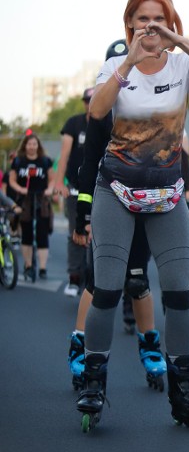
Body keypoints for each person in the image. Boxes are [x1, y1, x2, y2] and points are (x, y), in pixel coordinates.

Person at [78, 0, 189, 432]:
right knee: (107, 290)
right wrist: (128, 60)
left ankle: (182, 387)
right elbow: (97, 111)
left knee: (179, 294)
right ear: (129, 24)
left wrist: (178, 40)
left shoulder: (183, 65)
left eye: (158, 19)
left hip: (167, 196)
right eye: (142, 19)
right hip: (117, 191)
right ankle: (94, 379)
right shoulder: (115, 64)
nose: (150, 26)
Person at [66, 38, 167, 394]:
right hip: (110, 200)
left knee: (138, 279)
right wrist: (82, 213)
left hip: (145, 202)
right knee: (99, 281)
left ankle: (150, 349)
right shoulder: (102, 109)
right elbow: (87, 162)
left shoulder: (151, 108)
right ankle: (81, 347)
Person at [53, 88, 94, 297]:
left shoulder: (106, 122)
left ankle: (92, 278)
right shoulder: (74, 123)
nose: (90, 104)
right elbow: (64, 153)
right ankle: (74, 277)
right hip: (76, 188)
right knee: (75, 232)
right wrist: (59, 182)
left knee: (95, 234)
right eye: (87, 101)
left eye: (93, 100)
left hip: (99, 189)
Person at [8, 132, 54, 282]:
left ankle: (42, 267)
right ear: (25, 146)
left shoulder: (45, 161)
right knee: (26, 233)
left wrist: (49, 189)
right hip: (25, 199)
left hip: (41, 199)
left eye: (34, 144)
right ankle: (28, 265)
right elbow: (12, 180)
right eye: (29, 144)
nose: (32, 147)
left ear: (38, 145)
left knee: (42, 233)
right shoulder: (18, 161)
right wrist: (20, 189)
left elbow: (52, 179)